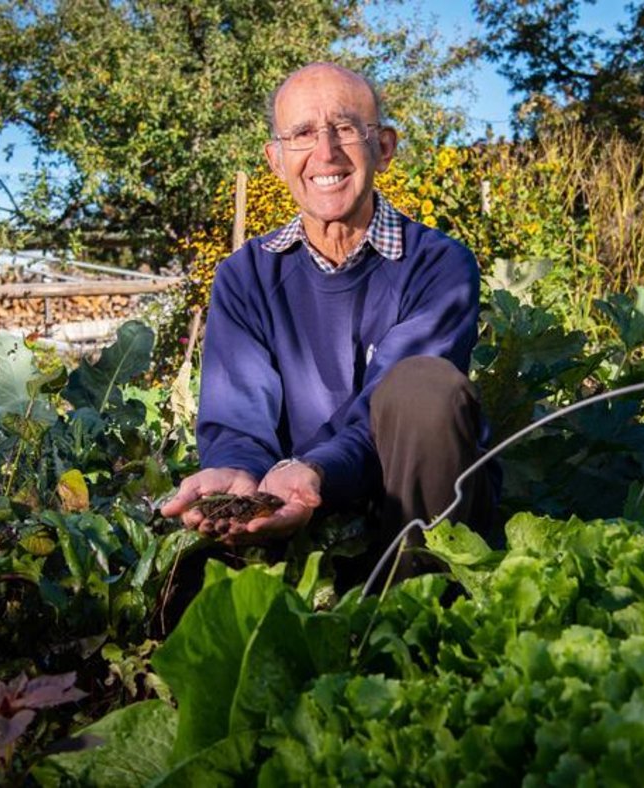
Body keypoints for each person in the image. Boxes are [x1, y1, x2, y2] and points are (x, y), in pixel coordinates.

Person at [159, 62, 497, 573]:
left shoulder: (439, 265)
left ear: (384, 147)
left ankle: (420, 603)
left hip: (416, 519)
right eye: (301, 134)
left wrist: (317, 468)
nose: (325, 153)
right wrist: (239, 471)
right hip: (299, 518)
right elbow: (237, 414)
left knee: (425, 386)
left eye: (344, 128)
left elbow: (405, 408)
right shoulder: (245, 276)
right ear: (276, 160)